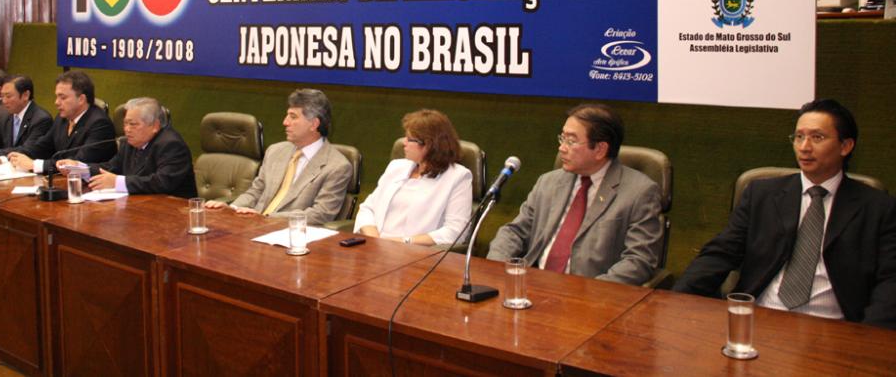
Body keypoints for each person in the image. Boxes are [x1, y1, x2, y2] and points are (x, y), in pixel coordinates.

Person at [674, 99, 896, 329]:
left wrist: (868, 338)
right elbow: (720, 253)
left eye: (817, 137)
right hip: (760, 317)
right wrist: (676, 301)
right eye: (799, 137)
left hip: (832, 327)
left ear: (845, 146)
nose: (804, 147)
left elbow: (890, 282)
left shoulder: (878, 208)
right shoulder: (762, 194)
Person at [487, 104, 663, 285]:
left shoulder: (639, 192)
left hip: (590, 292)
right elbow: (514, 232)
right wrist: (498, 267)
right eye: (562, 138)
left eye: (571, 141)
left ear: (600, 149)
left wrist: (590, 291)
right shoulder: (548, 182)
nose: (562, 148)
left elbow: (638, 260)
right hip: (531, 284)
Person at [204, 89, 352, 225]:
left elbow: (320, 214)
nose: (285, 122)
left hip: (290, 233)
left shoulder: (337, 166)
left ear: (314, 124)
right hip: (252, 226)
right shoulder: (275, 151)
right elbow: (256, 191)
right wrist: (232, 208)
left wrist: (266, 218)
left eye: (293, 117)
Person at [354, 109, 473, 246]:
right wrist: (375, 238)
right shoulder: (396, 166)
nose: (403, 143)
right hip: (375, 245)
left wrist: (403, 241)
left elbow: (455, 232)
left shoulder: (458, 177)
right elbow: (368, 208)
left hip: (415, 251)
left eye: (409, 139)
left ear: (429, 145)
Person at [58, 97, 197, 198]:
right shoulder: (130, 142)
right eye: (125, 124)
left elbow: (162, 182)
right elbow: (112, 167)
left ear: (155, 126)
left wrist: (117, 182)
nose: (127, 129)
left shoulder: (171, 145)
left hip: (173, 212)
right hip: (140, 206)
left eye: (133, 124)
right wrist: (81, 169)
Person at [7, 70, 116, 174]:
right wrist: (13, 157)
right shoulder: (62, 118)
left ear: (81, 99)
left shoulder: (100, 124)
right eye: (57, 97)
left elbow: (76, 164)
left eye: (62, 98)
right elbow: (42, 146)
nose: (56, 102)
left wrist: (35, 165)